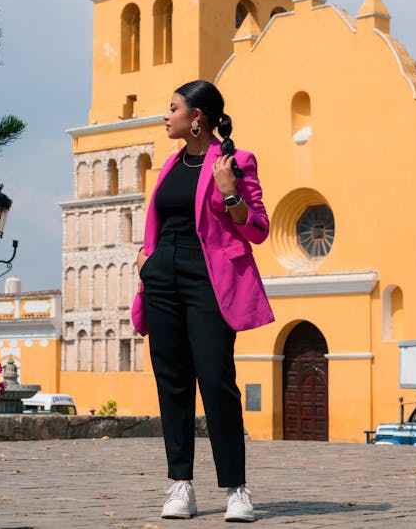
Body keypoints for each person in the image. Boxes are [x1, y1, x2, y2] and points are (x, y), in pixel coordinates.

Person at [131, 79, 274, 522]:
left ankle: (236, 490)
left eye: (172, 108)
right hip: (162, 280)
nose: (165, 115)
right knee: (171, 382)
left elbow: (258, 229)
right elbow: (159, 222)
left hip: (210, 280)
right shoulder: (169, 167)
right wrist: (144, 260)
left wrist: (229, 190)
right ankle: (181, 486)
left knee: (216, 381)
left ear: (197, 118)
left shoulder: (235, 162)